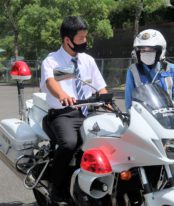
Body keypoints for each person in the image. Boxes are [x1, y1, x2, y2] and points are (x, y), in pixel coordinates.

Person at [40, 16, 108, 203]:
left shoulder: (88, 60)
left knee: (108, 140)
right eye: (81, 38)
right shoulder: (52, 61)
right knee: (70, 143)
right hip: (63, 114)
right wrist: (62, 95)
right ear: (67, 40)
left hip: (88, 112)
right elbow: (50, 82)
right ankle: (56, 186)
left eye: (86, 37)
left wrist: (106, 99)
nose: (85, 42)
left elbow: (100, 86)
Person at [125, 29, 174, 112]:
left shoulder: (171, 68)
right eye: (143, 50)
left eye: (151, 50)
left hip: (169, 116)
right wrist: (131, 116)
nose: (146, 53)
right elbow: (129, 98)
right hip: (144, 117)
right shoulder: (133, 70)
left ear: (159, 52)